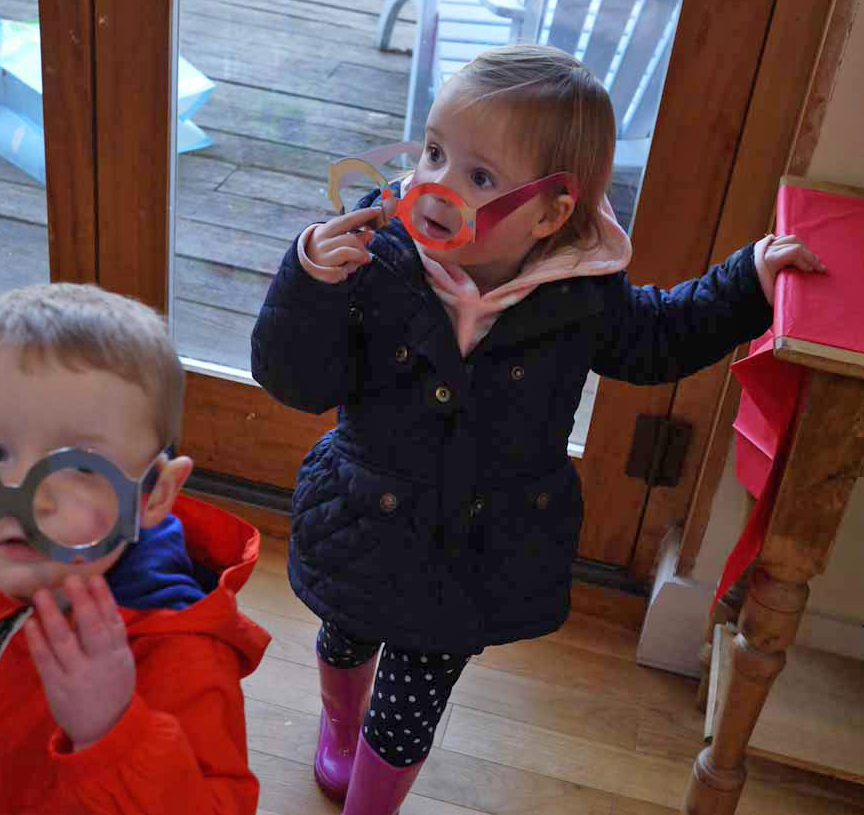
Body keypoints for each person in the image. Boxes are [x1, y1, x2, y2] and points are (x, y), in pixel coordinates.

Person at [250, 44, 825, 814]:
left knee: (413, 698)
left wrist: (746, 280)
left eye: (480, 177)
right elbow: (296, 378)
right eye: (433, 151)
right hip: (365, 517)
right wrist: (309, 281)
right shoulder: (375, 259)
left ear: (552, 213)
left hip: (472, 549)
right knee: (344, 635)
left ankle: (371, 801)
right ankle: (339, 723)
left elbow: (662, 337)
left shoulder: (580, 293)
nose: (436, 185)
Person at [0, 283, 270, 814]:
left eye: (80, 465)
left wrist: (113, 734)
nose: (25, 497)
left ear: (155, 494)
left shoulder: (183, 659)